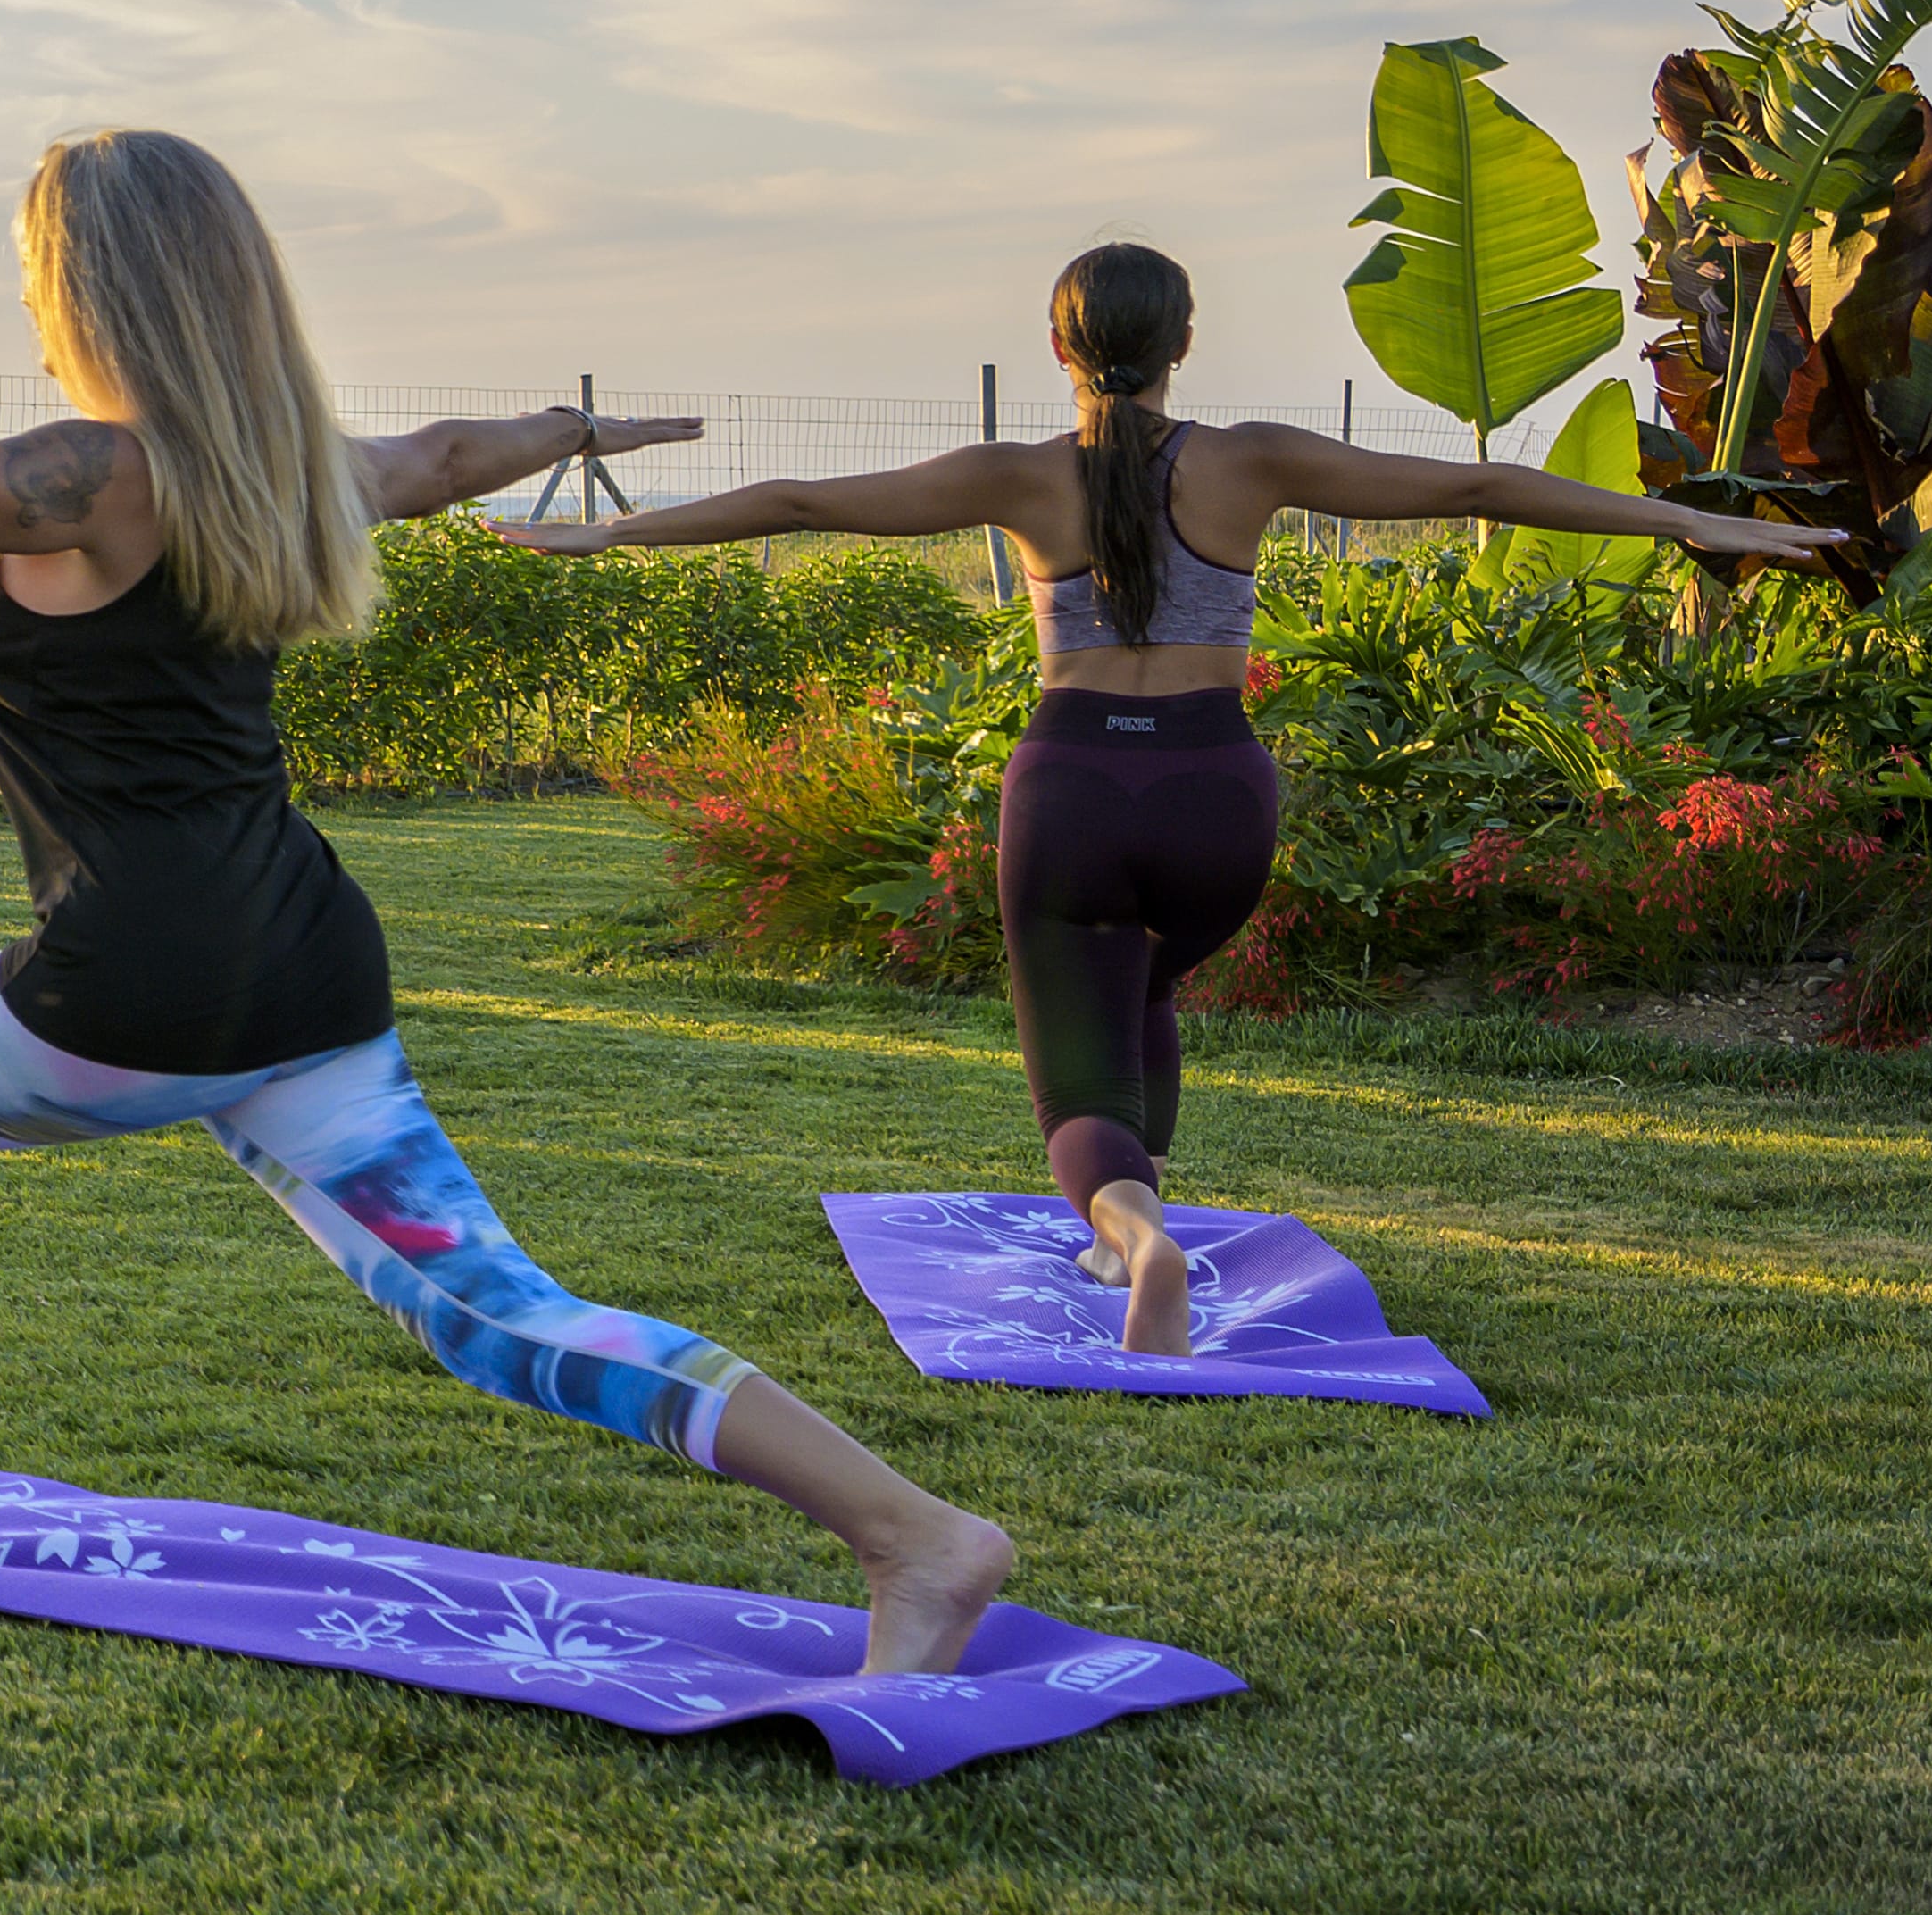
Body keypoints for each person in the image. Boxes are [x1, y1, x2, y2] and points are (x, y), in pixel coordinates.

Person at [0, 126, 1035, 1672]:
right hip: (307, 961)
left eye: (28, 270)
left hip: (130, 979)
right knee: (490, 1310)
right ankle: (915, 1535)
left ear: (91, 282)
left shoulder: (96, 474)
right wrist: (567, 421)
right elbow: (451, 455)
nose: (24, 298)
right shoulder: (294, 471)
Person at [531, 242, 1821, 1348]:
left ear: (1058, 346)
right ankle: (1123, 1226)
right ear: (1184, 341)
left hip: (1074, 786)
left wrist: (613, 532)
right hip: (1216, 794)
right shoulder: (1249, 462)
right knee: (1145, 981)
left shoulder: (1019, 477)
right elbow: (1479, 487)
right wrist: (1700, 525)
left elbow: (806, 497)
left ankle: (1131, 1232)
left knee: (1076, 1078)